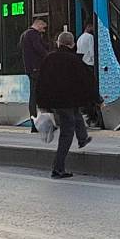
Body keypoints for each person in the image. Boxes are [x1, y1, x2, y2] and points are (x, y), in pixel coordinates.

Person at [36, 31, 102, 179]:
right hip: (67, 101)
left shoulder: (49, 59)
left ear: (58, 43)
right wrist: (98, 100)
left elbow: (40, 83)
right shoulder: (75, 61)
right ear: (72, 44)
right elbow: (88, 82)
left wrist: (41, 103)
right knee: (67, 133)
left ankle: (82, 138)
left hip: (56, 102)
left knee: (76, 114)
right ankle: (58, 168)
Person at [19, 17, 49, 130]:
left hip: (31, 70)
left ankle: (35, 123)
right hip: (37, 69)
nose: (44, 30)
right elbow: (39, 49)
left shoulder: (25, 35)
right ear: (39, 24)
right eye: (43, 27)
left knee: (34, 96)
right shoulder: (33, 35)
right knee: (39, 96)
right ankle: (38, 123)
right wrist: (49, 56)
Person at [76, 19, 99, 126]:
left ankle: (87, 115)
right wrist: (96, 64)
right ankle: (92, 117)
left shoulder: (80, 38)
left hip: (82, 65)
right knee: (92, 90)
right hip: (90, 65)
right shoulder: (90, 37)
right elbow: (92, 51)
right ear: (89, 26)